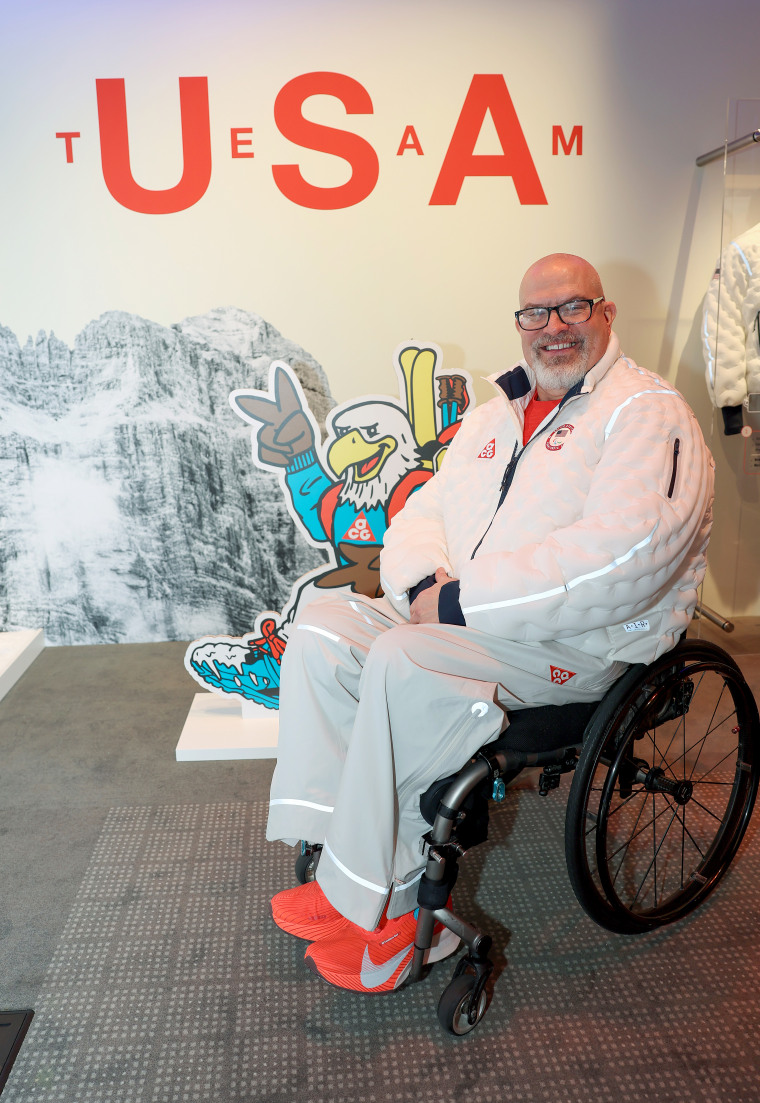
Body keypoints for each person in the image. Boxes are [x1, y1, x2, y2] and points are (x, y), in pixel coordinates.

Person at [265, 253, 715, 994]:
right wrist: (421, 584)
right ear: (519, 325)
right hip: (469, 619)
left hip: (579, 645)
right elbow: (424, 511)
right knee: (321, 625)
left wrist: (458, 601)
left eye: (573, 307)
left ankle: (407, 915)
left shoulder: (646, 411)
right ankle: (342, 864)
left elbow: (624, 556)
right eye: (535, 313)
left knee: (406, 660)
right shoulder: (492, 414)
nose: (553, 327)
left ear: (606, 314)